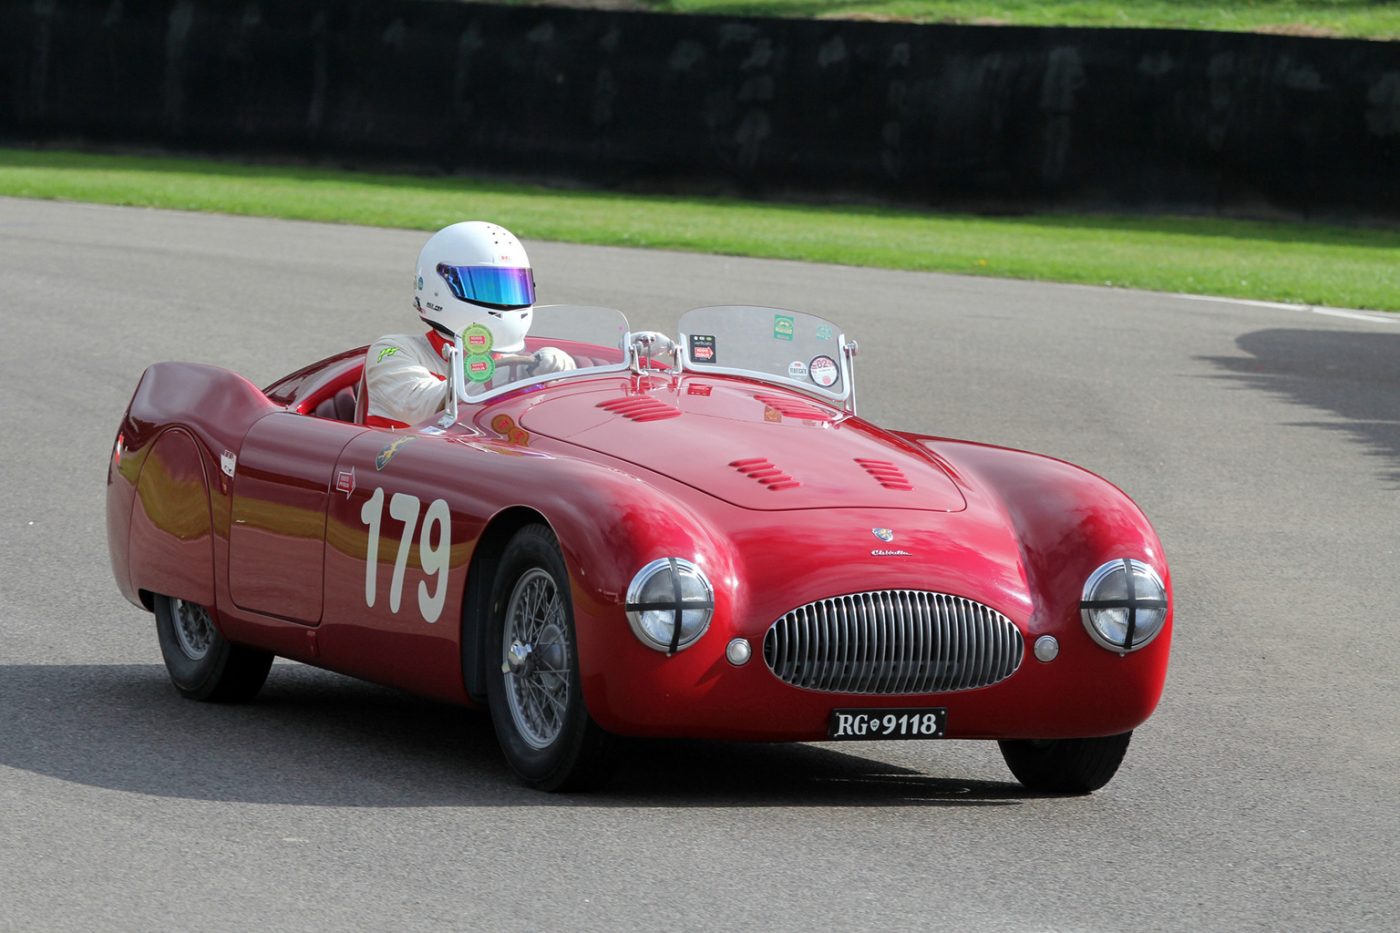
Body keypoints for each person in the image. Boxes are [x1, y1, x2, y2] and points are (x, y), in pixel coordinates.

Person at [363, 221, 577, 428]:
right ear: (437, 287)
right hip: (404, 452)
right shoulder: (393, 351)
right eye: (484, 287)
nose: (503, 302)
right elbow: (425, 406)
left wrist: (560, 378)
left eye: (511, 288)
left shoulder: (519, 362)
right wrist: (515, 375)